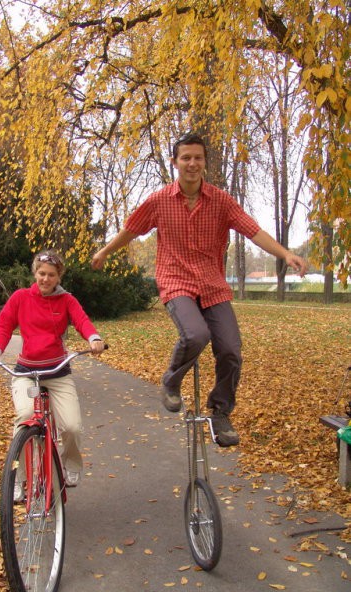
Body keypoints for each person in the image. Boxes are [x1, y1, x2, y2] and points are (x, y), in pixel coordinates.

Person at [91, 132, 307, 448]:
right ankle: (171, 381)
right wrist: (105, 251)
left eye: (198, 158)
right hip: (176, 281)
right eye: (186, 158)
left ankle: (220, 411)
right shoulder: (159, 201)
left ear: (204, 162)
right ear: (175, 162)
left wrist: (285, 253)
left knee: (231, 350)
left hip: (212, 285)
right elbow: (131, 230)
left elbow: (253, 230)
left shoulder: (221, 201)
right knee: (196, 334)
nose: (192, 164)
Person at [0, 249, 105, 499]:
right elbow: (4, 325)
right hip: (27, 371)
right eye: (41, 273)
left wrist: (94, 338)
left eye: (51, 275)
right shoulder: (20, 298)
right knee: (25, 417)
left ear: (58, 276)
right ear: (35, 273)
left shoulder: (67, 300)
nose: (45, 279)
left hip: (58, 371)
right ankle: (18, 479)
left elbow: (81, 321)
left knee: (71, 426)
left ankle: (71, 466)